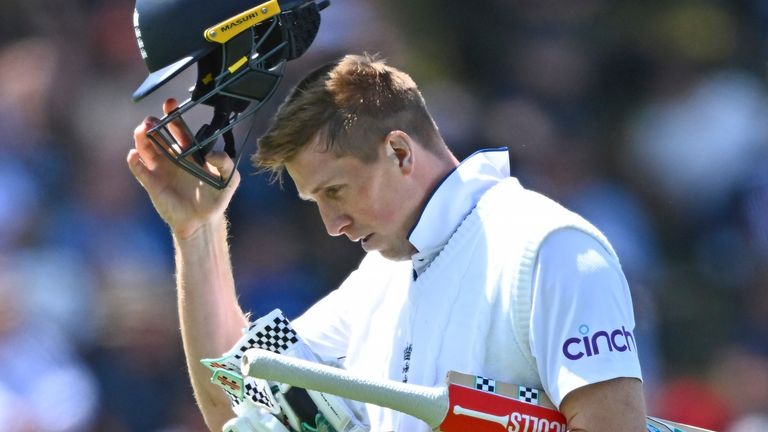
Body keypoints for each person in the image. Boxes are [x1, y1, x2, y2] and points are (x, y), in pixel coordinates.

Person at [127, 54, 647, 431]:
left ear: (399, 152)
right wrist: (198, 233)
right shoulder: (382, 275)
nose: (332, 224)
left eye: (335, 190)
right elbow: (237, 398)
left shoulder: (550, 247)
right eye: (316, 202)